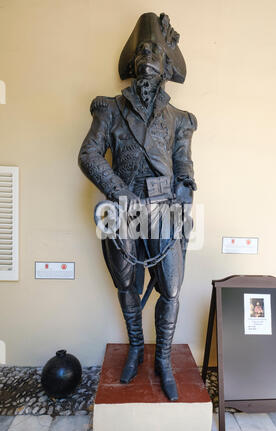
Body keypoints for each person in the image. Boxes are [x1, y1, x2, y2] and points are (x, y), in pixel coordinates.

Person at [78, 12, 197, 401]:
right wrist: (118, 190)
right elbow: (90, 156)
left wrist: (184, 194)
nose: (148, 55)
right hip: (122, 207)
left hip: (165, 208)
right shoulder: (109, 109)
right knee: (126, 283)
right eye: (142, 51)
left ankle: (162, 357)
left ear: (164, 68)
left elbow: (183, 165)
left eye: (155, 52)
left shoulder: (179, 119)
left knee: (172, 288)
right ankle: (135, 347)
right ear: (132, 65)